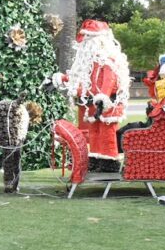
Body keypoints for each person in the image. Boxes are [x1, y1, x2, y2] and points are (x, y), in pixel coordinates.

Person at [51, 19, 131, 172]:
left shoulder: (109, 61)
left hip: (108, 105)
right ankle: (94, 159)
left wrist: (103, 96)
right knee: (94, 133)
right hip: (93, 106)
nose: (86, 45)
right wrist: (62, 79)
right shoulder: (90, 64)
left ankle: (109, 162)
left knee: (107, 134)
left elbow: (109, 80)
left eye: (89, 41)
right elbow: (81, 82)